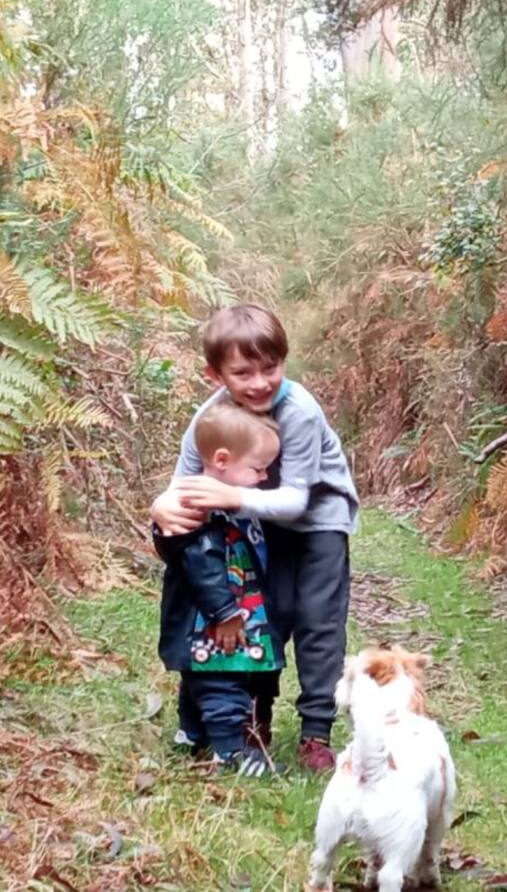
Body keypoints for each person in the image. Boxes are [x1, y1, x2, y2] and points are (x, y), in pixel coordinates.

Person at [151, 303, 359, 773]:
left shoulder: (300, 411)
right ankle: (252, 715)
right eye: (243, 372)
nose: (260, 382)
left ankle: (315, 731)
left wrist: (230, 497)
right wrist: (161, 507)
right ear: (215, 374)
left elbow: (296, 501)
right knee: (265, 614)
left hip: (317, 521)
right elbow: (182, 484)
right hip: (253, 524)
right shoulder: (211, 416)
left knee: (317, 623)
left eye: (271, 367)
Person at [153, 400, 283, 776]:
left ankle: (191, 733)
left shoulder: (230, 503)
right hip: (210, 620)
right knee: (223, 679)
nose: (263, 478)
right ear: (222, 460)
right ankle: (230, 751)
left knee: (204, 676)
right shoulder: (196, 508)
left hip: (228, 613)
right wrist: (225, 613)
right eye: (257, 468)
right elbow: (200, 565)